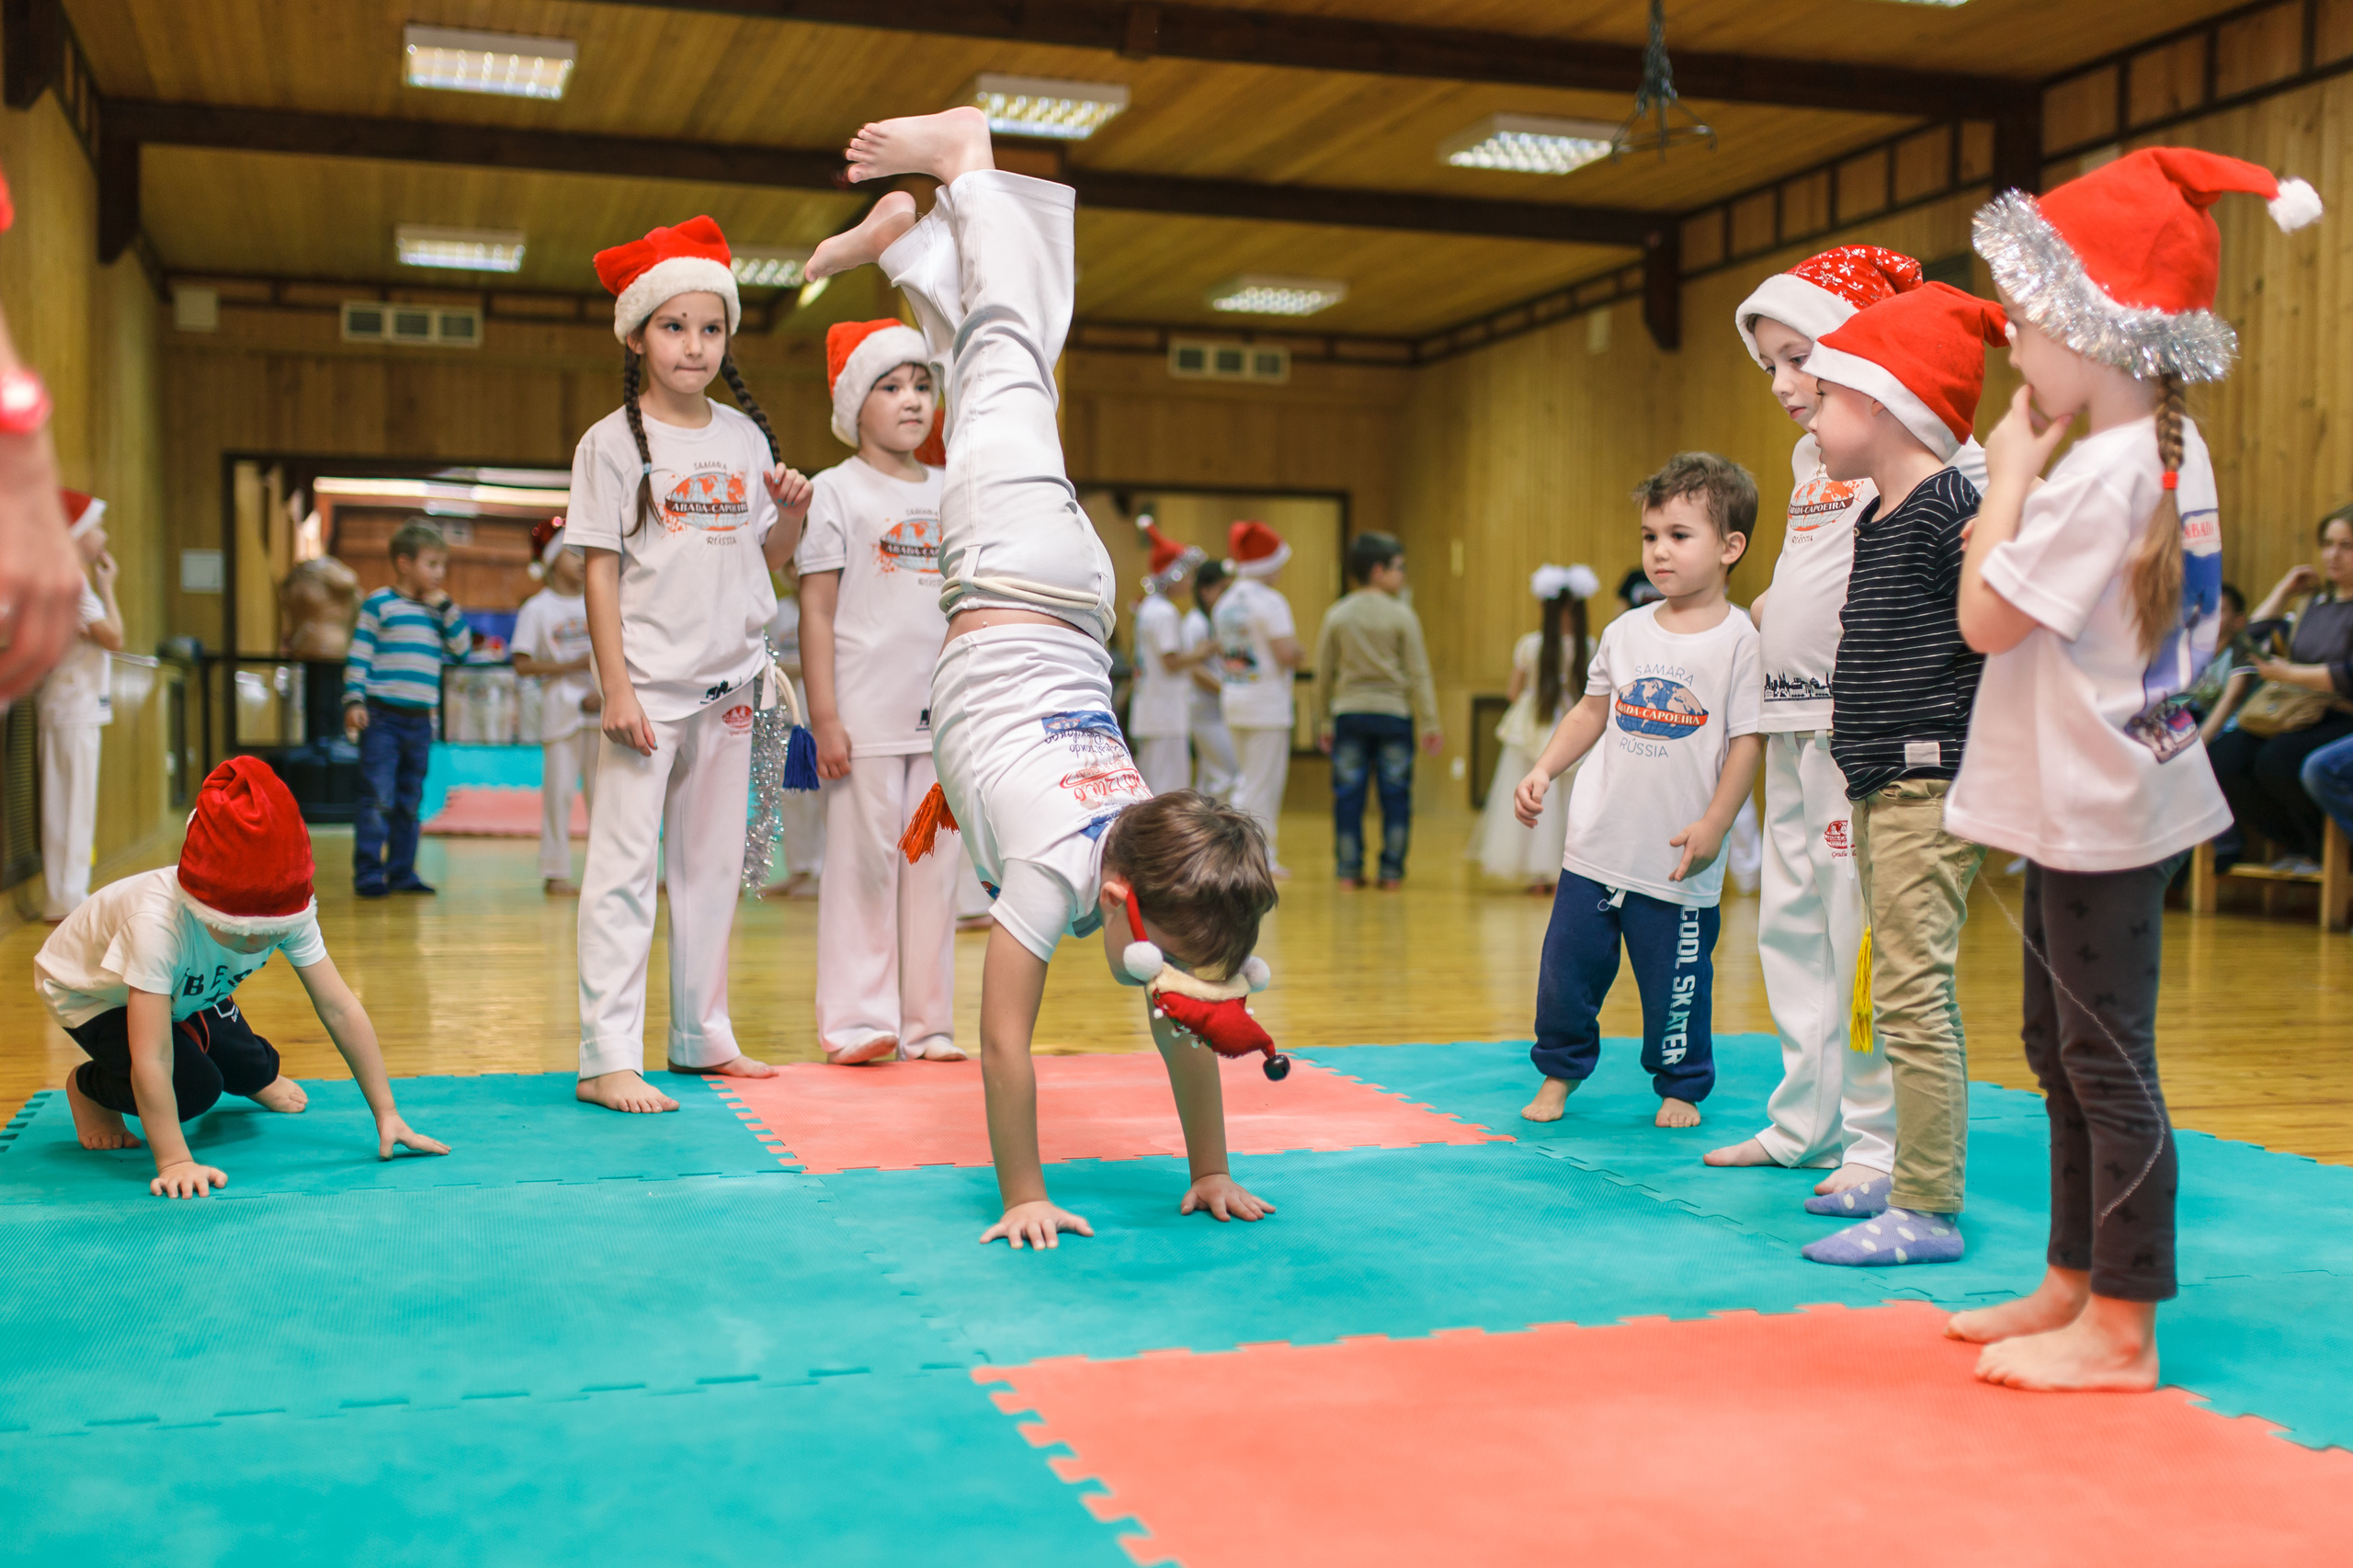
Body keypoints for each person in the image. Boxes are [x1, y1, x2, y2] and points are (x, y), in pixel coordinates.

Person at [805, 104, 1280, 1248]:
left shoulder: (1145, 858)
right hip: (1011, 569)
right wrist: (1023, 1193)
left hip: (1065, 596)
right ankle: (970, 166)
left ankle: (915, 252)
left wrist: (1209, 1167)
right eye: (1164, 958)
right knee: (1011, 360)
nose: (1167, 982)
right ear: (1122, 902)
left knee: (1001, 384)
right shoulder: (1050, 877)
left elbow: (1185, 1015)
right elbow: (1006, 1043)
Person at [1945, 147, 2314, 1391]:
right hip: (2108, 785)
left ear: (2105, 334)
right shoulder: (2167, 446)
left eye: (2035, 324)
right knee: (2060, 1045)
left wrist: (2002, 480)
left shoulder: (2099, 473)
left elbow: (1985, 620)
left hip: (2102, 799)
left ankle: (2124, 1324)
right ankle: (2070, 1275)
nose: (2015, 352)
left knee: (2102, 1058)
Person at [1706, 244, 1988, 1204]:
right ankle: (1804, 1120)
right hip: (1792, 716)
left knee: (1861, 935)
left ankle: (1875, 1141)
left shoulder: (1934, 447)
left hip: (1870, 728)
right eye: (1771, 366)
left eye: (1801, 357)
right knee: (1791, 925)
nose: (1785, 385)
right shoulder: (1812, 453)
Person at [569, 215, 813, 1114]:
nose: (694, 345)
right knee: (623, 870)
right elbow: (599, 567)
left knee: (714, 867)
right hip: (649, 691)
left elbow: (771, 558)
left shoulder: (746, 441)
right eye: (675, 326)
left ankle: (701, 1033)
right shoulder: (609, 442)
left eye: (710, 328)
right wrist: (617, 687)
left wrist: (789, 509)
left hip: (736, 682)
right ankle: (605, 1057)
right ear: (637, 334)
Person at [1789, 282, 2007, 1267]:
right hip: (1879, 780)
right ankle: (1898, 1166)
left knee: (1914, 992)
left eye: (1821, 389)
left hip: (1926, 786)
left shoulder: (1946, 512)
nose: (1804, 405)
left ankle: (1928, 1202)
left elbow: (1991, 638)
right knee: (1889, 983)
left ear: (1877, 403)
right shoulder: (1883, 512)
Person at [35, 756, 448, 1197]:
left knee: (251, 1063)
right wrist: (175, 1159)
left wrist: (387, 1113)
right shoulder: (155, 925)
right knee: (195, 1089)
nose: (255, 944)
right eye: (238, 931)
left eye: (268, 934)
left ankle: (250, 1076)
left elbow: (340, 1007)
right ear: (203, 904)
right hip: (97, 993)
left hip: (186, 986)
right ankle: (88, 1087)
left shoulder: (288, 910)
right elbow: (152, 1055)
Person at [1513, 454, 1764, 1131]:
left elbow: (1748, 742)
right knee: (1566, 976)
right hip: (1596, 847)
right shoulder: (1624, 632)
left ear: (1730, 547)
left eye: (1679, 536)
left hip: (1676, 860)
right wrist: (1545, 768)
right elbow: (1591, 712)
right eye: (1650, 536)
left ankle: (1680, 1085)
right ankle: (1559, 1073)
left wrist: (1717, 822)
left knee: (1676, 989)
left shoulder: (1741, 643)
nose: (1659, 551)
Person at [799, 317, 961, 1065]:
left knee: (934, 874)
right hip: (862, 717)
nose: (911, 400)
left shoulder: (954, 489)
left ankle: (928, 1026)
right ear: (853, 404)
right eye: (890, 386)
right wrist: (824, 715)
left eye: (922, 385)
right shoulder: (835, 491)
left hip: (945, 722)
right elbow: (818, 609)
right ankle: (861, 1023)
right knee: (865, 869)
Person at [2200, 508, 2353, 869]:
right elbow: (2247, 643)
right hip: (2296, 711)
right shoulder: (2312, 605)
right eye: (2328, 544)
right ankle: (2296, 843)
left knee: (2278, 761)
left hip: (2341, 715)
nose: (2333, 555)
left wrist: (2290, 674)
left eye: (2346, 546)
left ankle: (2325, 853)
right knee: (2224, 759)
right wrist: (2282, 592)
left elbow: (2348, 675)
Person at [342, 520, 472, 898]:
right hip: (381, 717)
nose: (439, 573)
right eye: (432, 564)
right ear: (404, 563)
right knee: (377, 796)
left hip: (420, 721)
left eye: (441, 565)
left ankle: (402, 872)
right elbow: (360, 655)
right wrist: (354, 699)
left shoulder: (439, 610)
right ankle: (369, 872)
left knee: (409, 800)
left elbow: (462, 651)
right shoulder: (379, 604)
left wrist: (447, 608)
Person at [1313, 531, 1441, 888]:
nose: (1403, 576)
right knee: (1396, 796)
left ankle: (1348, 871)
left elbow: (1323, 674)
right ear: (1378, 571)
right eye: (1399, 568)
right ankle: (1391, 872)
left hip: (1348, 714)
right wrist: (1430, 722)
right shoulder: (1402, 615)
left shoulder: (1337, 614)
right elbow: (1419, 671)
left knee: (1348, 797)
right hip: (1394, 715)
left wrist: (1322, 720)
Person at [1470, 563, 1596, 892]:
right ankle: (1567, 871)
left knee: (1535, 796)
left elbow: (1514, 692)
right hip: (1576, 725)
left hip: (1535, 724)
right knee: (1569, 801)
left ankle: (1538, 874)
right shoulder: (1590, 646)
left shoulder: (1530, 645)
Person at [34, 491, 124, 922]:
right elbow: (114, 636)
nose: (103, 535)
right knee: (69, 807)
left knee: (71, 806)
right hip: (72, 706)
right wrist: (108, 586)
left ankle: (67, 895)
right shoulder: (70, 580)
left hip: (72, 705)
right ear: (79, 532)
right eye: (97, 526)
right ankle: (65, 898)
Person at [511, 522, 600, 896]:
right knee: (558, 795)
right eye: (573, 552)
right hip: (560, 713)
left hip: (603, 713)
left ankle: (605, 874)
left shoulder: (601, 599)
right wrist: (572, 667)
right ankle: (556, 872)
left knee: (606, 798)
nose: (582, 561)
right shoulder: (537, 609)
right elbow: (522, 663)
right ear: (551, 560)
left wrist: (605, 688)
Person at [1215, 521, 1302, 876]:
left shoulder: (1225, 601)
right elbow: (1286, 652)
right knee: (1261, 783)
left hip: (1235, 697)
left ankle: (1246, 853)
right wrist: (1299, 652)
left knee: (1247, 777)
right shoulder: (1271, 601)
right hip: (1266, 703)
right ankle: (1255, 855)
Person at [1130, 517, 1207, 797]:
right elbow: (1171, 661)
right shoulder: (1164, 612)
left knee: (1153, 782)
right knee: (1168, 789)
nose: (1190, 582)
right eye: (1187, 575)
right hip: (1165, 712)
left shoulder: (1149, 608)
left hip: (1154, 711)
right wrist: (1202, 651)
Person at [764, 568, 825, 895]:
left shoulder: (832, 607)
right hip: (788, 720)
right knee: (791, 797)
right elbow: (768, 663)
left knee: (825, 797)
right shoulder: (779, 612)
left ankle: (823, 870)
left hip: (823, 722)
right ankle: (800, 869)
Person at [1185, 561, 1239, 800]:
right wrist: (1228, 691)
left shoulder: (1214, 619)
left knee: (1210, 778)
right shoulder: (1195, 623)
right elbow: (1194, 671)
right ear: (1205, 591)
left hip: (1216, 711)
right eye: (1223, 590)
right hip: (1205, 713)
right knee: (1227, 776)